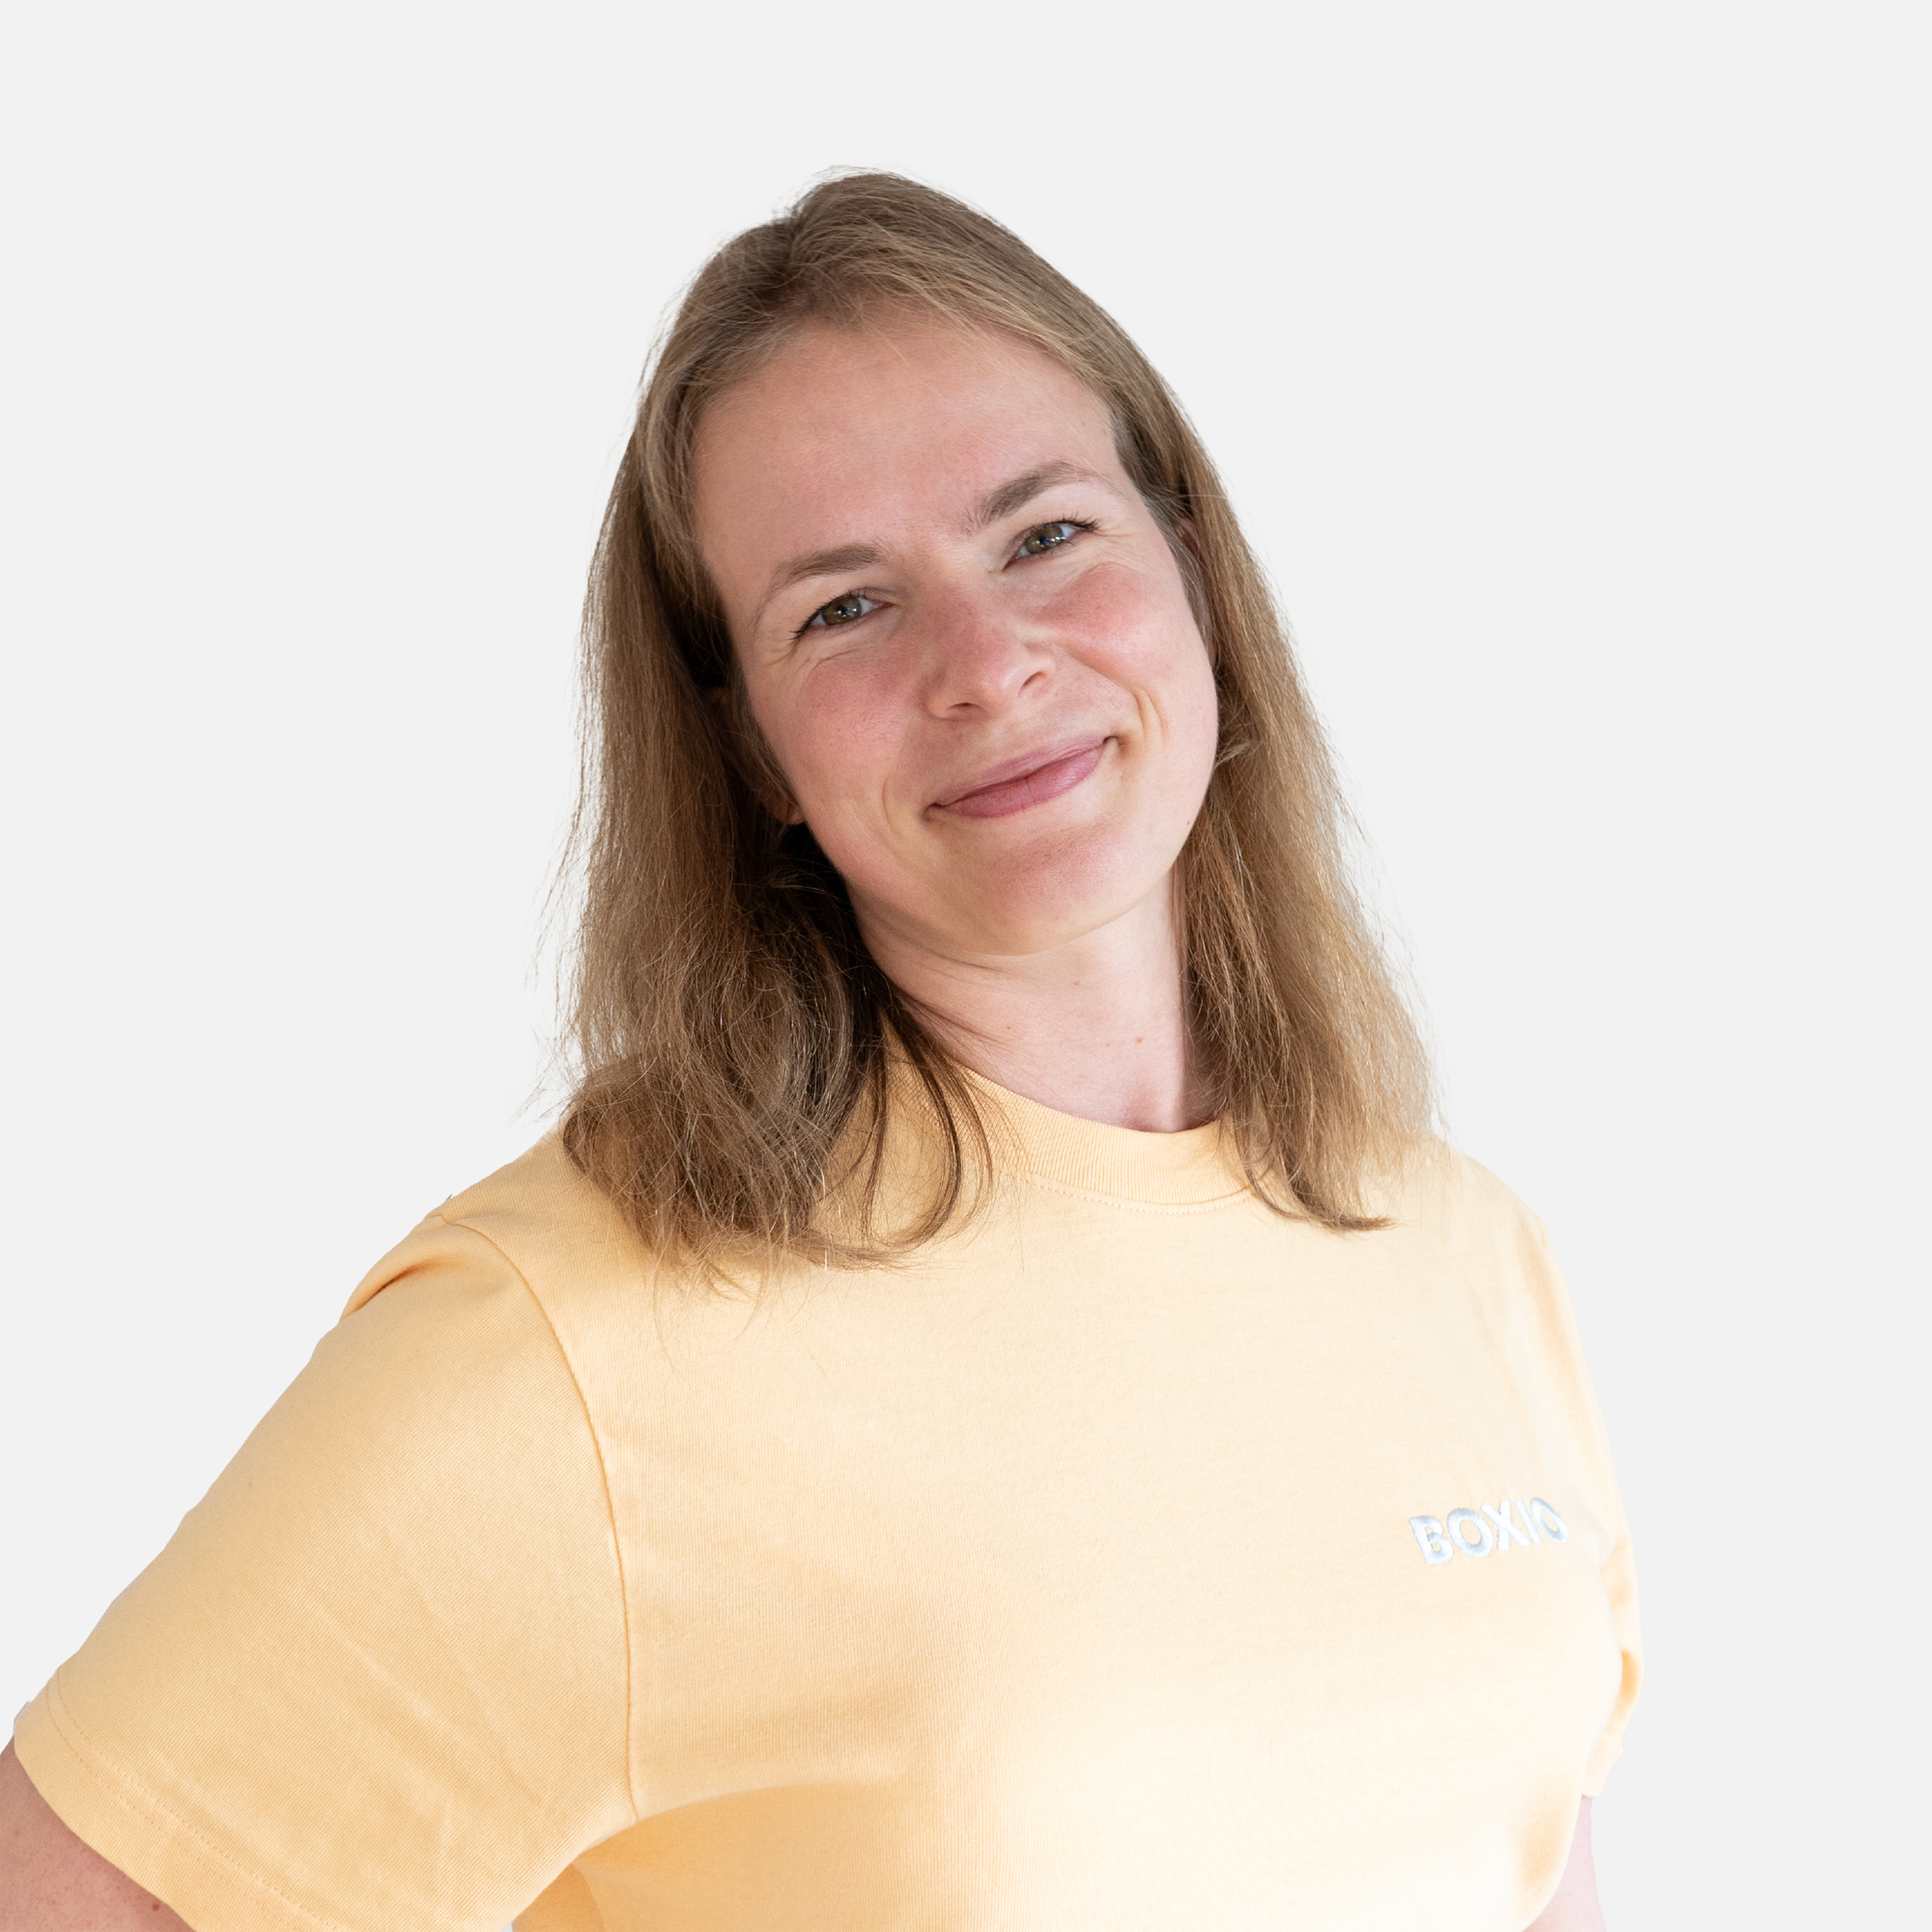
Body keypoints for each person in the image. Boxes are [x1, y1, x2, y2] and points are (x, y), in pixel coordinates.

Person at [1, 173, 1639, 1931]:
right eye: (844, 609)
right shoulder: (570, 1347)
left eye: (1045, 536)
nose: (986, 664)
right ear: (752, 748)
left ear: (1196, 574)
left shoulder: (1457, 1247)